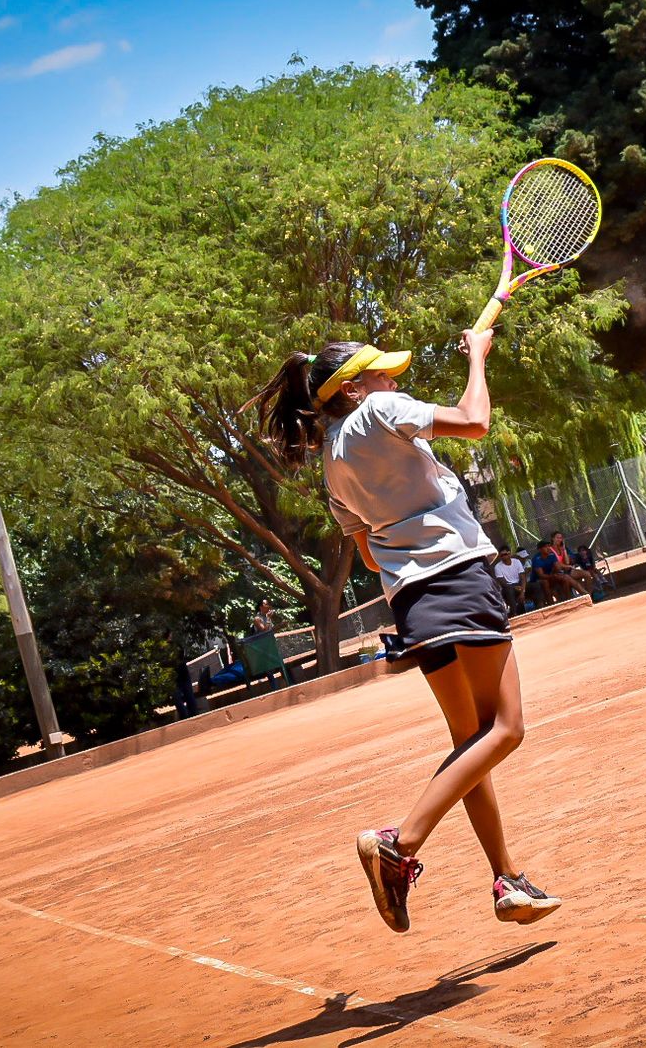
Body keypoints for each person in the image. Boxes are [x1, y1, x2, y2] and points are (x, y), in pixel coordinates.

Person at [255, 331, 560, 932]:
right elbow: (475, 421)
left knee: (468, 740)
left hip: (414, 599)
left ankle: (506, 879)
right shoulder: (381, 411)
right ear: (354, 388)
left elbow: (369, 555)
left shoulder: (332, 461)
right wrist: (476, 356)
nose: (393, 382)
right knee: (507, 729)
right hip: (458, 577)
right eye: (382, 374)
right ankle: (399, 842)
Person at [548, 531, 597, 596]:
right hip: (558, 573)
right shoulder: (550, 550)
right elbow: (557, 565)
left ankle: (589, 595)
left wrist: (564, 549)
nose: (559, 540)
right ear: (553, 538)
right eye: (557, 538)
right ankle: (586, 595)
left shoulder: (563, 548)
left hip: (567, 571)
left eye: (561, 538)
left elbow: (567, 562)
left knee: (587, 574)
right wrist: (567, 567)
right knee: (576, 584)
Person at [491, 547, 528, 613]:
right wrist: (514, 587)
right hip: (508, 587)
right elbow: (503, 583)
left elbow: (523, 578)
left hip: (519, 585)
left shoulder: (517, 561)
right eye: (501, 555)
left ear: (509, 554)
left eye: (504, 554)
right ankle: (515, 613)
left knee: (536, 586)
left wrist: (523, 592)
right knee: (509, 591)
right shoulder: (497, 567)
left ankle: (542, 608)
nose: (503, 557)